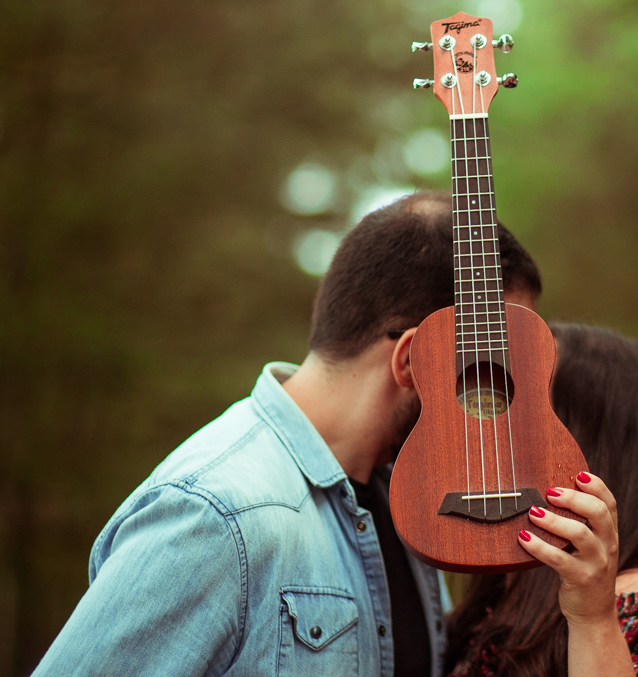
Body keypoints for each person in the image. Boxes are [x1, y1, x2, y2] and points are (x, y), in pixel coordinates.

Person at [32, 190, 543, 677]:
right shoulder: (215, 514)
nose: (496, 410)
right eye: (486, 372)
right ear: (411, 360)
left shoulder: (409, 503)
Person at [444, 323, 638, 677]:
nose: (493, 424)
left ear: (593, 442)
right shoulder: (501, 600)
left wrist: (593, 622)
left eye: (523, 401)